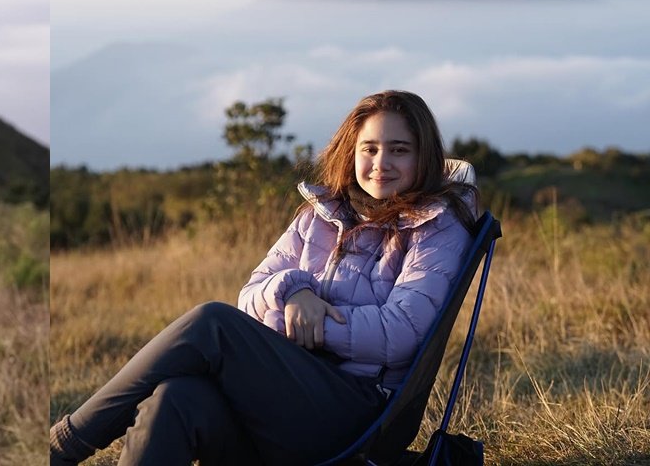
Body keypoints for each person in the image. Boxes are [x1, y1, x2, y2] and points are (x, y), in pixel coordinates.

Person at [50, 90, 478, 465]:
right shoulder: (320, 215)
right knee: (174, 400)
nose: (381, 163)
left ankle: (64, 445)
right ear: (352, 152)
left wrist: (311, 323)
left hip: (357, 413)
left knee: (210, 324)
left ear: (424, 157)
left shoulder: (437, 225)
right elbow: (251, 293)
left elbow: (399, 331)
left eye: (399, 149)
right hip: (287, 399)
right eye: (369, 148)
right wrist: (294, 294)